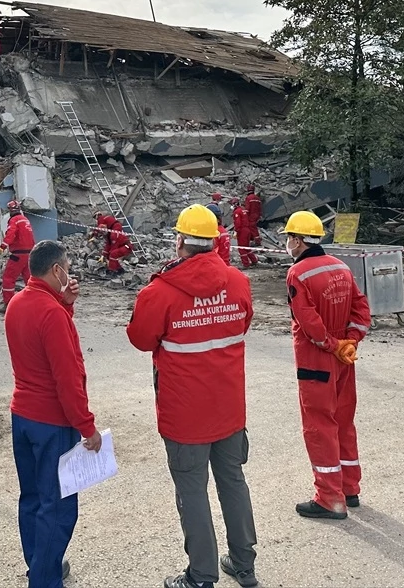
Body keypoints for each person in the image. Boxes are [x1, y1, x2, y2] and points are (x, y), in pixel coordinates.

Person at [127, 204, 258, 588]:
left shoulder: (160, 291)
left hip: (185, 416)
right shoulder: (238, 282)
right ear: (217, 241)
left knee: (192, 491)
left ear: (180, 240)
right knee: (233, 481)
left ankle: (201, 576)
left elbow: (139, 338)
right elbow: (243, 322)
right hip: (230, 408)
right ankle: (243, 564)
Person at [6, 240, 103, 588]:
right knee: (59, 508)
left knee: (32, 498)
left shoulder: (18, 303)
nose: (70, 272)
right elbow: (67, 377)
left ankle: (40, 564)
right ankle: (45, 579)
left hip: (23, 417)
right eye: (68, 266)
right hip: (52, 422)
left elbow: (38, 347)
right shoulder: (51, 313)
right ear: (57, 270)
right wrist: (86, 426)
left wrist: (66, 304)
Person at [282, 210, 372, 520]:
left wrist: (333, 346)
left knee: (319, 427)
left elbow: (309, 323)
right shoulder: (340, 266)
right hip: (344, 358)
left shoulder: (298, 274)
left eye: (289, 238)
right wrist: (350, 342)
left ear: (296, 239)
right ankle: (350, 488)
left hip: (317, 360)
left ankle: (329, 498)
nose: (287, 244)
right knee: (344, 422)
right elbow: (362, 309)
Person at [0, 199, 35, 306]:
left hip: (18, 254)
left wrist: (2, 246)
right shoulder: (25, 220)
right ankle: (33, 301)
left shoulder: (14, 220)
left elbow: (11, 234)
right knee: (30, 279)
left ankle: (9, 303)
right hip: (29, 254)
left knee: (8, 278)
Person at [232, 200, 257, 268]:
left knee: (241, 248)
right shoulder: (243, 210)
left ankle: (246, 264)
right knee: (246, 247)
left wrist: (236, 231)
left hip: (242, 231)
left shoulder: (237, 212)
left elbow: (238, 223)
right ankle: (254, 260)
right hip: (247, 230)